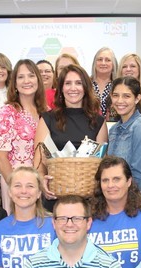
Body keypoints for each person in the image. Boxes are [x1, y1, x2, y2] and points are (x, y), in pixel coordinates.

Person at [35, 64, 108, 201]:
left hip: (88, 199)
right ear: (61, 88)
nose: (73, 88)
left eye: (78, 83)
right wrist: (41, 180)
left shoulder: (98, 121)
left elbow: (102, 163)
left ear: (85, 88)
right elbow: (38, 162)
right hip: (55, 196)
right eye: (68, 83)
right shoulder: (47, 119)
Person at [0, 59, 47, 212]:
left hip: (40, 183)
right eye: (21, 77)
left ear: (38, 80)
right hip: (17, 183)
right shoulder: (8, 112)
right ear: (14, 83)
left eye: (31, 76)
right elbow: (0, 157)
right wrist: (15, 187)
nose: (26, 81)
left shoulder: (46, 112)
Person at [107, 76, 141, 202]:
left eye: (126, 96)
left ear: (137, 98)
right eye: (116, 95)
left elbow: (139, 174)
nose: (120, 100)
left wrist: (122, 198)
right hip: (116, 195)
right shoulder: (114, 129)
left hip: (136, 196)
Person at [91, 47, 117, 118]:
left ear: (113, 65)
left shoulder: (118, 85)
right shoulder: (86, 83)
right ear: (94, 63)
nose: (103, 63)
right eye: (100, 59)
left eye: (107, 60)